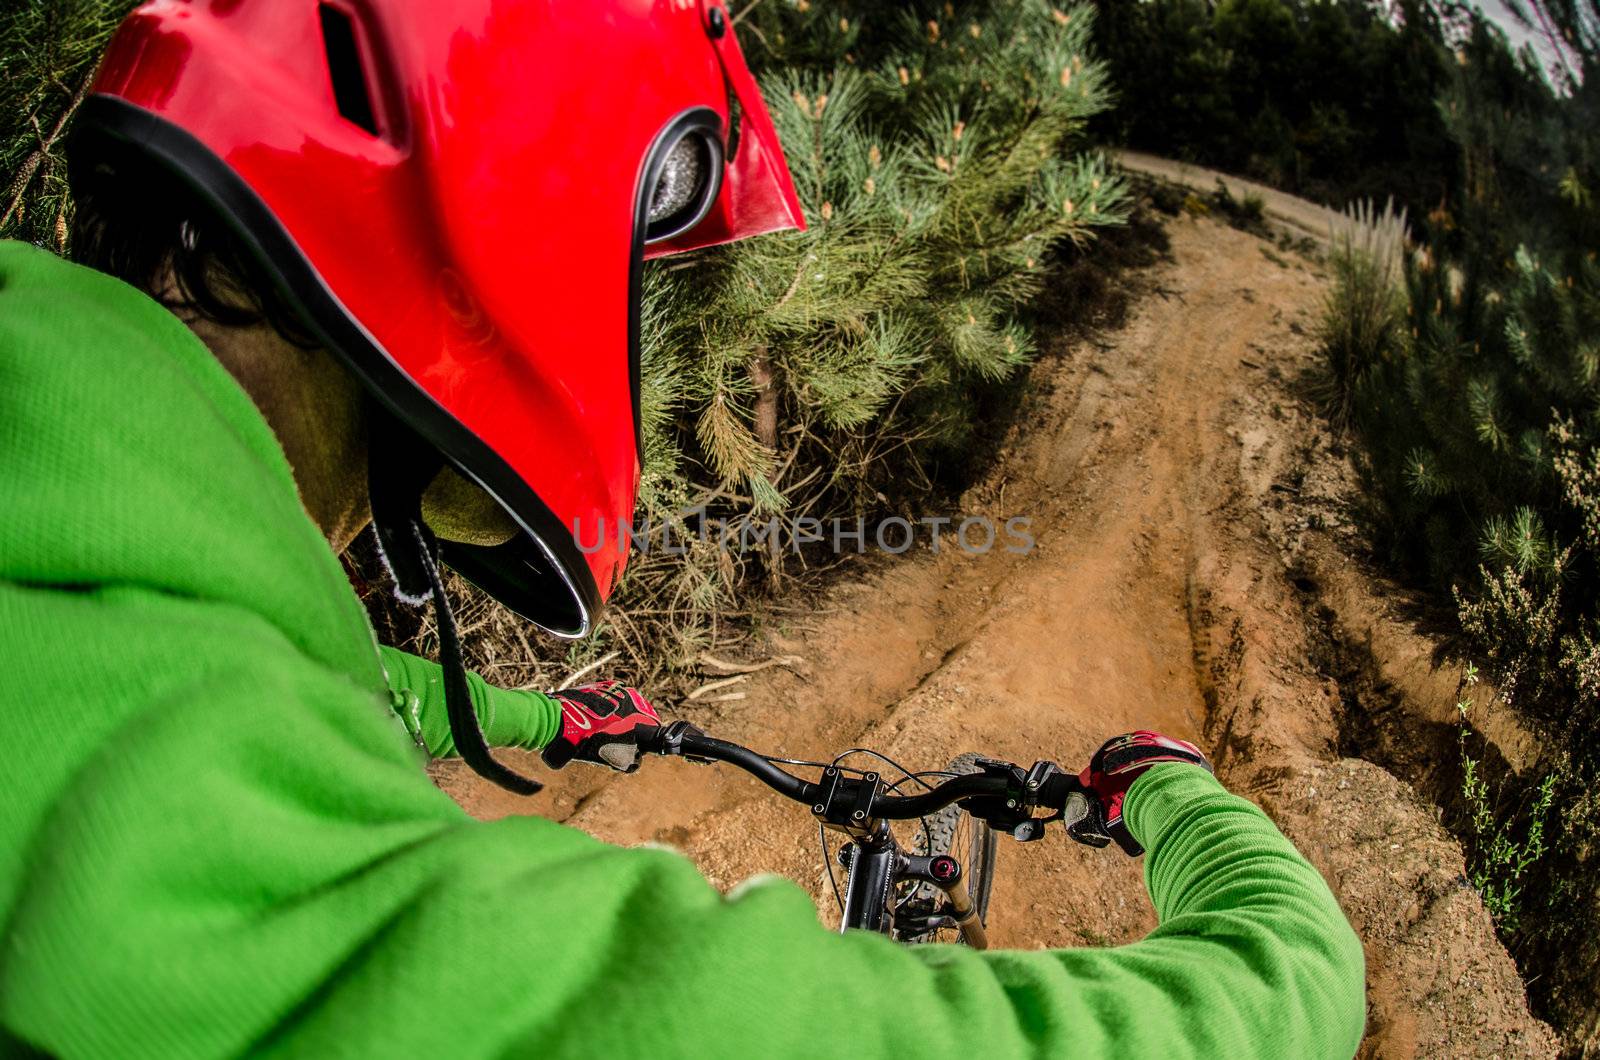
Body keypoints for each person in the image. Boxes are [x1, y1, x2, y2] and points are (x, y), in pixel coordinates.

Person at [0, 1, 1366, 1057]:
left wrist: (563, 724)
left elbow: (246, 673)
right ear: (510, 194)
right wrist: (1196, 823)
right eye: (626, 262)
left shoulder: (84, 555)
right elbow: (1245, 1000)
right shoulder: (258, 886)